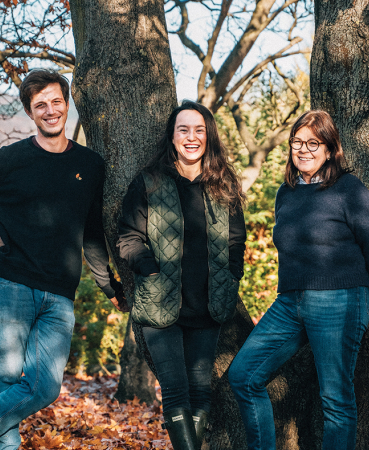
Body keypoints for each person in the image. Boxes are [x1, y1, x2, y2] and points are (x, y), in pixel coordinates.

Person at [0, 70, 123, 450]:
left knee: (44, 387)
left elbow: (92, 231)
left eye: (55, 102)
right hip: (11, 284)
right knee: (5, 384)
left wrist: (107, 283)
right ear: (31, 113)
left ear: (67, 103)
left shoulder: (90, 164)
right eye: (40, 105)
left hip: (60, 295)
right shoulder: (9, 160)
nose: (50, 111)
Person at [228, 110, 369, 450]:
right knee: (244, 375)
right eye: (297, 142)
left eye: (313, 143)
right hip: (290, 301)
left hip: (339, 299)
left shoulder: (349, 189)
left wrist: (356, 293)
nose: (304, 149)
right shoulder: (287, 192)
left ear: (330, 149)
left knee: (335, 400)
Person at [116, 101, 246, 450]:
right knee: (175, 389)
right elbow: (128, 237)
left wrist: (231, 276)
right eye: (183, 130)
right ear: (172, 137)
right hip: (160, 304)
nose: (192, 137)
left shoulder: (223, 183)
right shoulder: (150, 182)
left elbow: (236, 240)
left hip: (208, 304)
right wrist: (151, 272)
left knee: (201, 389)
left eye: (199, 130)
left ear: (209, 136)